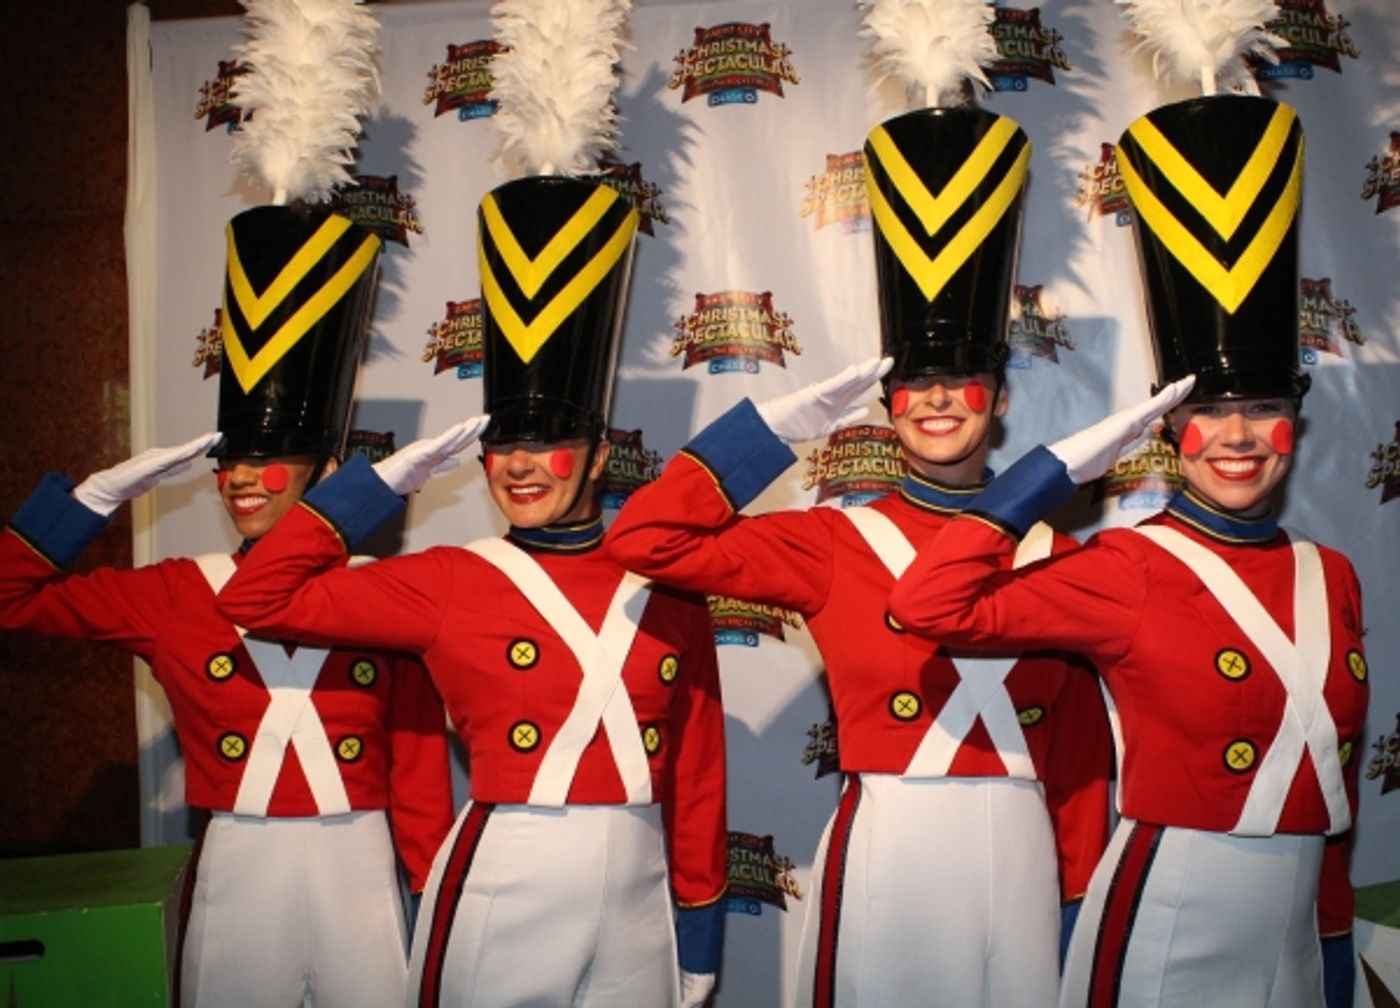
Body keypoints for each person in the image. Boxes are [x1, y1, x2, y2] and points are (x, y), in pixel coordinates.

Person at [606, 105, 1112, 1008]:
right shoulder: (831, 541)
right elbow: (644, 539)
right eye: (914, 382)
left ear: (998, 398)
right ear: (885, 401)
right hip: (893, 847)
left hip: (1028, 856)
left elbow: (1078, 761)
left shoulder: (1053, 552)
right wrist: (771, 429)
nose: (938, 401)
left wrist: (1082, 905)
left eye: (963, 380)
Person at [887, 95, 1367, 1008]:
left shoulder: (1330, 574)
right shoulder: (1125, 567)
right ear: (1167, 426)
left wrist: (1334, 949)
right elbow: (929, 606)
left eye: (1263, 411)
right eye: (1208, 414)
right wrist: (1055, 470)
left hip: (1297, 926)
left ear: (1296, 426)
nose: (1239, 437)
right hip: (1169, 911)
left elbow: (1328, 785)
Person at [216, 173, 728, 1008]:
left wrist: (699, 914)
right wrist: (366, 490)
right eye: (503, 443)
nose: (520, 464)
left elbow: (701, 770)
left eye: (549, 441)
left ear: (599, 454)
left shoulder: (668, 582)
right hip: (505, 878)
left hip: (639, 891)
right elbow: (256, 599)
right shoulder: (448, 580)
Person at [0, 200, 454, 1008]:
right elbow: (11, 595)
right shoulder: (173, 593)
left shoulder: (383, 593)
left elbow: (420, 765)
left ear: (326, 470)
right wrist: (92, 500)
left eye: (271, 459)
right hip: (237, 868)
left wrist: (428, 889)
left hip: (362, 866)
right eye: (231, 460)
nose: (242, 478)